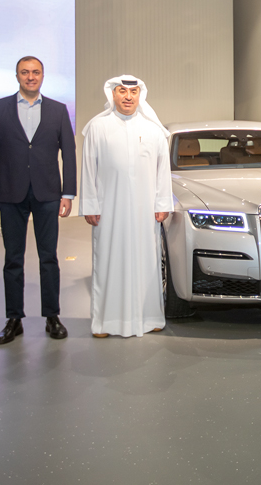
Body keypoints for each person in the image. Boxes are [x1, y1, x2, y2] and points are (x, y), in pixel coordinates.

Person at [0, 56, 77, 345]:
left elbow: (69, 153)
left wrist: (68, 193)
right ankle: (14, 319)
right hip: (11, 193)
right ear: (17, 76)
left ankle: (52, 316)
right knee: (13, 259)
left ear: (43, 76)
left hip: (48, 193)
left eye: (35, 72)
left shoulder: (58, 110)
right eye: (25, 72)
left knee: (49, 257)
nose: (30, 77)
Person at [80, 75, 173, 338]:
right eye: (122, 91)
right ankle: (105, 323)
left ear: (140, 95)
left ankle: (150, 317)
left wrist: (162, 203)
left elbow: (162, 172)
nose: (128, 96)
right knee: (109, 260)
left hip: (146, 212)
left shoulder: (154, 130)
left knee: (148, 261)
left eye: (133, 91)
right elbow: (88, 169)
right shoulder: (97, 127)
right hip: (108, 210)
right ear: (113, 94)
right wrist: (90, 204)